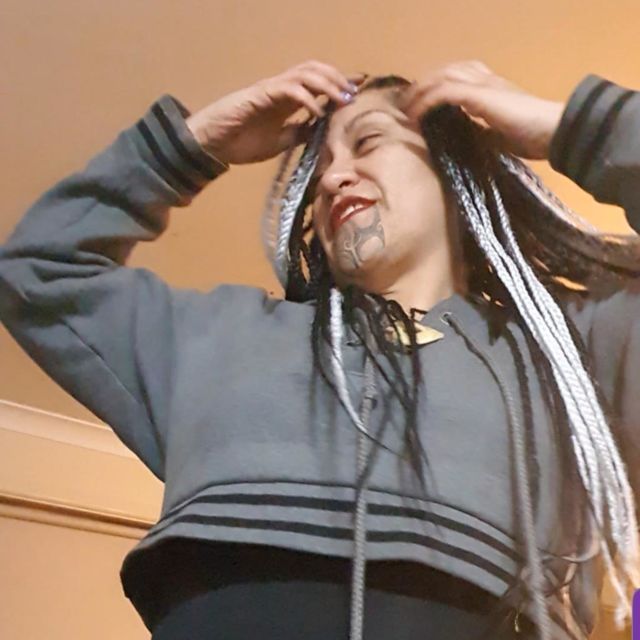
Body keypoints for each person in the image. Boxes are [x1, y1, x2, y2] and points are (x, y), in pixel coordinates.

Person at [1, 59, 639, 640]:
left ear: (454, 173)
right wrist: (193, 143)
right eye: (318, 170)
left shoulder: (568, 350)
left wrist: (574, 128)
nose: (332, 177)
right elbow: (36, 270)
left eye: (368, 141)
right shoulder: (212, 336)